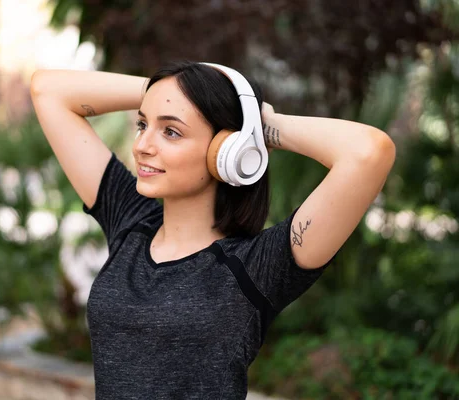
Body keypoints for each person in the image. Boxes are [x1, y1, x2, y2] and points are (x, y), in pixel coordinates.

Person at [30, 60, 396, 399]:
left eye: (171, 131)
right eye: (143, 124)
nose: (142, 145)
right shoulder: (130, 222)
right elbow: (49, 90)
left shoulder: (257, 267)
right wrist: (171, 87)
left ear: (226, 149)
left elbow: (368, 152)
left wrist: (256, 124)